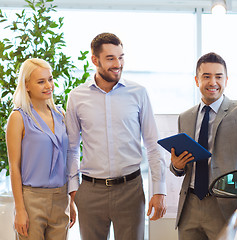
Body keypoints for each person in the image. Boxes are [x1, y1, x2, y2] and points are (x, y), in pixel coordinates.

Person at [66, 32, 167, 240]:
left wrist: (159, 190)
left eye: (121, 57)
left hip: (130, 190)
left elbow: (152, 145)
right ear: (95, 60)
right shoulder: (76, 97)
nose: (118, 64)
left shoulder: (138, 93)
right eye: (110, 58)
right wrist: (74, 190)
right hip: (90, 191)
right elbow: (71, 148)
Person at [170, 52, 237, 239]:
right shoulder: (185, 117)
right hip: (190, 206)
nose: (213, 82)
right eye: (206, 76)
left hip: (224, 205)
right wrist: (176, 166)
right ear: (197, 80)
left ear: (226, 80)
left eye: (218, 76)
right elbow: (183, 166)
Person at [6, 58, 76, 239]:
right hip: (32, 200)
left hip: (61, 198)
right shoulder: (18, 117)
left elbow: (68, 158)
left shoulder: (60, 114)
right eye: (41, 81)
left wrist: (71, 201)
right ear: (27, 85)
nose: (48, 85)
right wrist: (20, 210)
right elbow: (14, 167)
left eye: (50, 79)